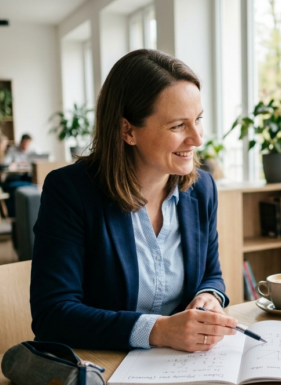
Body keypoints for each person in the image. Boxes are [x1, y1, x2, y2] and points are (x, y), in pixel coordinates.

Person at [30, 49, 238, 352]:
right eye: (178, 125)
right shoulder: (70, 191)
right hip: (100, 366)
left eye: (198, 120)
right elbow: (53, 314)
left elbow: (211, 274)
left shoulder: (202, 188)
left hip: (177, 364)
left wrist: (209, 296)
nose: (197, 138)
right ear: (128, 130)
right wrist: (159, 330)